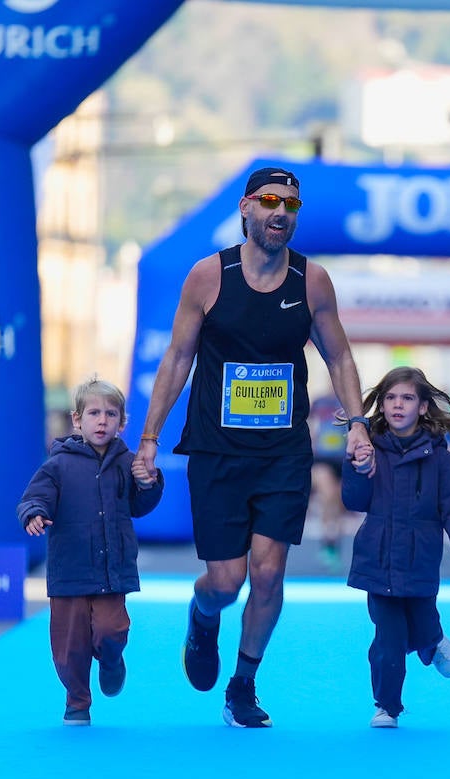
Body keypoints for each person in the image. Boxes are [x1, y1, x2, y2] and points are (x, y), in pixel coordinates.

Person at [135, 165, 372, 728]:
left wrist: (358, 423)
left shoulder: (312, 282)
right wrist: (147, 438)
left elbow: (338, 356)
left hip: (283, 453)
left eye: (291, 205)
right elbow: (177, 359)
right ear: (245, 208)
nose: (280, 213)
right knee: (226, 581)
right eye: (269, 201)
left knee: (268, 575)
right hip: (217, 452)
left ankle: (243, 683)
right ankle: (203, 612)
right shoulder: (207, 277)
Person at [17, 378, 164, 726]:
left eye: (110, 414)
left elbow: (140, 505)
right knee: (70, 649)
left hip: (112, 572)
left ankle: (112, 661)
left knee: (113, 630)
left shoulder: (127, 462)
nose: (102, 421)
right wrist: (34, 513)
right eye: (94, 413)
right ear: (77, 420)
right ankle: (77, 702)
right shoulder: (57, 464)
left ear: (122, 422)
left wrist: (149, 482)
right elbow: (34, 496)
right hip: (70, 571)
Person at [343, 367, 450, 728]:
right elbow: (354, 501)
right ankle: (387, 705)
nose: (397, 405)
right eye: (390, 398)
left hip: (420, 562)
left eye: (406, 398)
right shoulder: (367, 448)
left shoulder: (440, 460)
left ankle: (431, 638)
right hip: (377, 561)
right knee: (388, 636)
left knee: (419, 623)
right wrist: (359, 469)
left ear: (422, 407)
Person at [308, 390, 348, 571]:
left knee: (338, 503)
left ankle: (333, 542)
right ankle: (326, 538)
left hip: (343, 459)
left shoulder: (349, 404)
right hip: (323, 459)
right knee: (328, 494)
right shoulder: (319, 402)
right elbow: (310, 424)